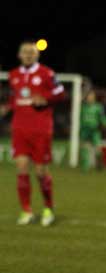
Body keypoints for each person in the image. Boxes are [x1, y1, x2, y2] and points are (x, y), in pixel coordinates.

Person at [0, 40, 65, 226]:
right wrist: (7, 107)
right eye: (25, 52)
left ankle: (48, 208)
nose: (28, 54)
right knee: (21, 168)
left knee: (40, 172)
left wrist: (45, 98)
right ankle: (26, 210)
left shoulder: (47, 73)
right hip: (19, 128)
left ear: (37, 55)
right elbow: (16, 98)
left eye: (32, 52)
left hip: (41, 128)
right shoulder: (13, 75)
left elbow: (60, 92)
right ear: (19, 55)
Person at [79, 89, 106, 171]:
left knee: (97, 148)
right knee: (84, 147)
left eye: (91, 96)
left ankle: (99, 164)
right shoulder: (83, 107)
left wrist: (105, 124)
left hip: (95, 130)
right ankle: (85, 167)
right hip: (85, 130)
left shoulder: (98, 107)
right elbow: (79, 118)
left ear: (94, 97)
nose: (90, 98)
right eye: (89, 96)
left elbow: (103, 117)